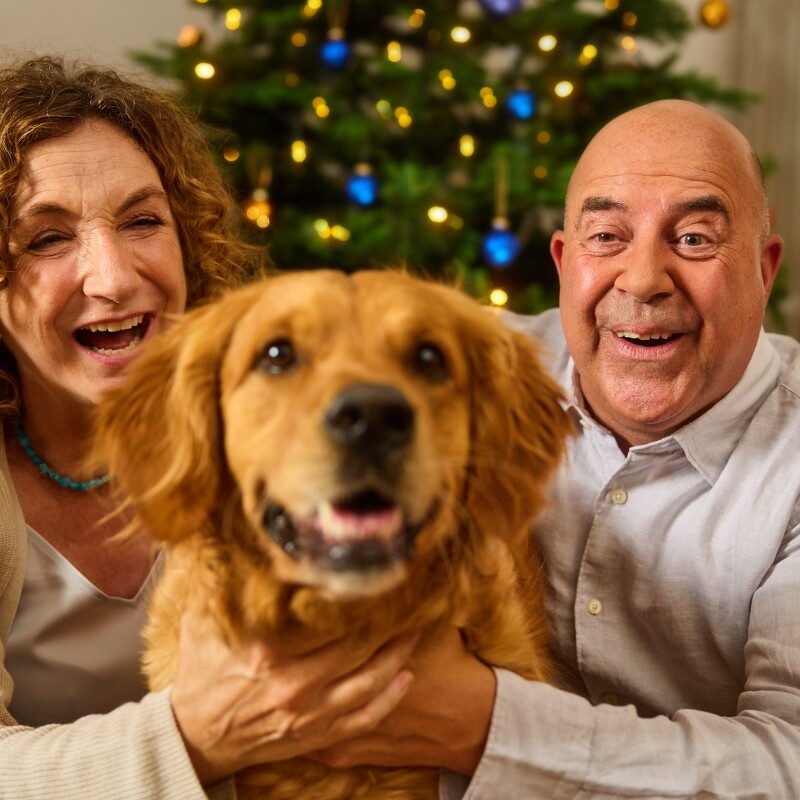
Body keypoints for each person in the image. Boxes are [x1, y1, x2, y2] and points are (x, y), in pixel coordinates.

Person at [310, 100, 800, 797]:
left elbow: (788, 760)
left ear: (763, 268)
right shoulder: (458, 367)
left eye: (694, 239)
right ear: (566, 262)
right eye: (607, 236)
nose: (641, 280)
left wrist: (488, 727)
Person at [0, 56, 419, 799]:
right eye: (46, 239)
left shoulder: (284, 431)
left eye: (143, 221)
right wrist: (194, 741)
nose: (115, 277)